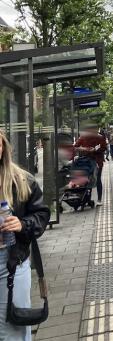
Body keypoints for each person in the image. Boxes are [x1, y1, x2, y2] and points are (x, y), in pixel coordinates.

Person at [0, 131, 50, 341]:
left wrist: (22, 224)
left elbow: (41, 214)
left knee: (11, 331)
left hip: (10, 263)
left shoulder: (21, 179)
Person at [74, 123, 107, 205]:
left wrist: (95, 150)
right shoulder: (83, 137)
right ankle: (88, 199)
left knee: (97, 179)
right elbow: (75, 147)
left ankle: (99, 199)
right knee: (88, 180)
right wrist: (84, 149)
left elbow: (104, 147)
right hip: (86, 161)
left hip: (97, 161)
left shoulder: (100, 137)